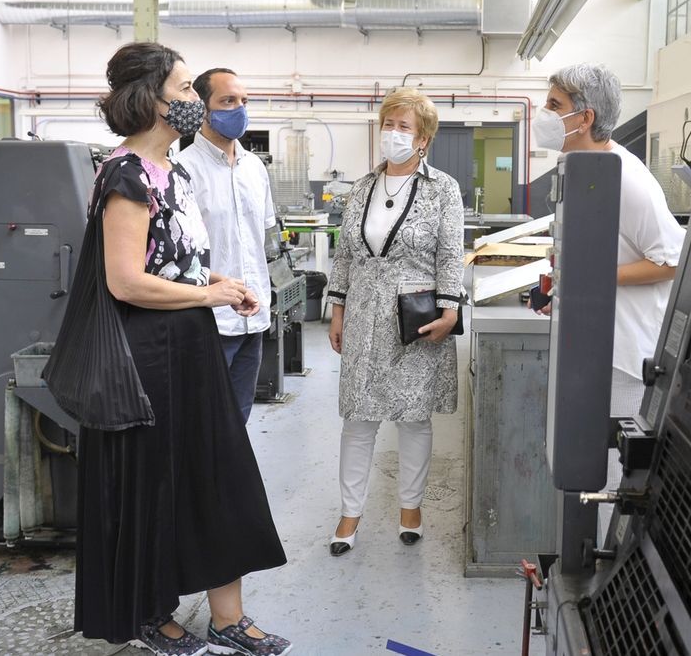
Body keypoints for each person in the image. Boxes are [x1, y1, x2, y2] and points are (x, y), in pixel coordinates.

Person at [73, 42, 291, 656]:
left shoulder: (178, 171)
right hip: (148, 355)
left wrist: (218, 287)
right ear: (152, 98)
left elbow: (178, 265)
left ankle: (228, 618)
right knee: (158, 485)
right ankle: (152, 613)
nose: (194, 101)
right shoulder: (126, 175)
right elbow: (124, 280)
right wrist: (205, 297)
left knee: (219, 478)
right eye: (187, 88)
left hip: (190, 343)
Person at [324, 88, 464, 557]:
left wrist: (451, 311)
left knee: (413, 418)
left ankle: (411, 509)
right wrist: (337, 310)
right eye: (388, 124)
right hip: (363, 313)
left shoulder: (442, 188)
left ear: (423, 138)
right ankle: (349, 514)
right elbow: (344, 255)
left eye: (403, 127)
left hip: (414, 316)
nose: (393, 134)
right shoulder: (362, 186)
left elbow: (449, 254)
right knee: (358, 418)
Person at [531, 63, 684, 418]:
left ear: (584, 119)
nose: (545, 113)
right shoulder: (580, 168)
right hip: (592, 342)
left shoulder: (626, 178)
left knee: (611, 469)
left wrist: (591, 280)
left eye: (554, 105)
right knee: (578, 465)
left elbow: (671, 261)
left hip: (625, 358)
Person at [176, 67, 276, 423]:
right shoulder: (183, 169)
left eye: (244, 101)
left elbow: (260, 238)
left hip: (254, 317)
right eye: (228, 101)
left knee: (239, 420)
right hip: (210, 321)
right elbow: (178, 256)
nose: (239, 110)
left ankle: (228, 481)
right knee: (201, 421)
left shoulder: (255, 169)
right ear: (203, 108)